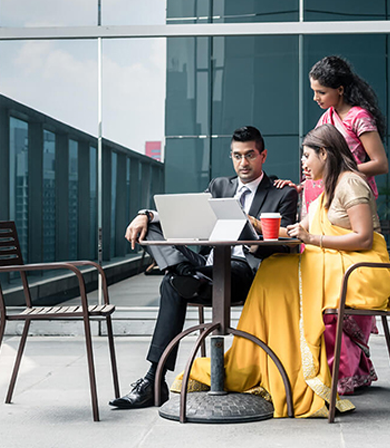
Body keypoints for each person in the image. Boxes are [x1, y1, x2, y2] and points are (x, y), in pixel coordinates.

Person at [174, 124, 390, 418]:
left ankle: (284, 367)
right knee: (271, 269)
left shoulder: (351, 183)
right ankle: (262, 361)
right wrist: (254, 224)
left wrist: (314, 239)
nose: (303, 163)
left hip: (358, 267)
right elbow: (294, 231)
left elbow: (364, 239)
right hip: (333, 261)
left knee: (277, 275)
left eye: (307, 156)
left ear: (324, 153)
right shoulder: (326, 190)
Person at [109, 126, 298, 409]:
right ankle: (184, 272)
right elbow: (186, 214)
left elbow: (286, 242)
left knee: (170, 284)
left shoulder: (281, 193)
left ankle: (153, 380)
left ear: (263, 156)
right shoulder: (219, 186)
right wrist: (144, 215)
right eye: (237, 156)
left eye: (249, 155)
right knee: (154, 229)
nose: (243, 163)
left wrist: (253, 230)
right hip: (206, 265)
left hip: (242, 270)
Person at [278, 55, 390, 395]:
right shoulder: (326, 117)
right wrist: (305, 184)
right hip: (320, 204)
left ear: (340, 90)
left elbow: (380, 163)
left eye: (321, 92)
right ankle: (320, 367)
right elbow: (321, 158)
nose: (316, 98)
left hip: (348, 205)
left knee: (333, 288)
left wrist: (339, 174)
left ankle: (344, 370)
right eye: (314, 91)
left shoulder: (359, 118)